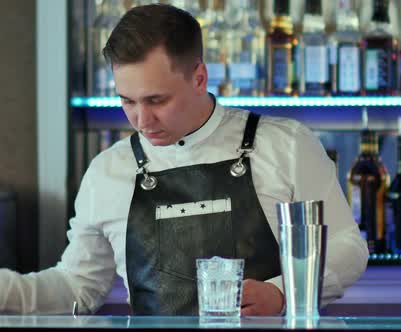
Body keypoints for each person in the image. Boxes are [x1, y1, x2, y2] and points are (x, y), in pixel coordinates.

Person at [0, 4, 368, 316]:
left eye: (157, 100)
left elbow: (346, 247)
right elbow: (76, 286)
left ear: (199, 77)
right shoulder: (107, 171)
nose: (141, 121)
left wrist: (282, 293)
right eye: (127, 101)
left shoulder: (286, 145)